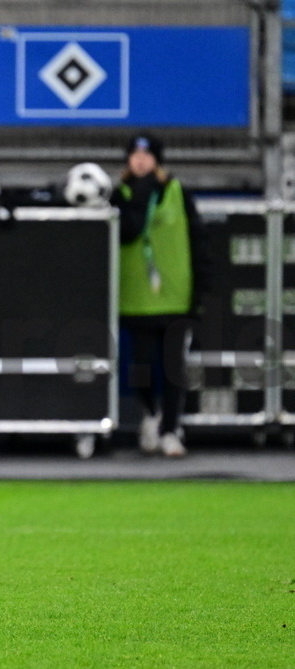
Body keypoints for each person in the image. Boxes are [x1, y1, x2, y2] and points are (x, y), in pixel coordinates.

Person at [110, 133, 209, 458]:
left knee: (173, 367)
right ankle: (149, 413)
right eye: (134, 155)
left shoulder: (177, 192)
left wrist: (200, 290)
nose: (140, 160)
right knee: (141, 365)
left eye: (147, 155)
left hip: (175, 295)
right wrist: (137, 199)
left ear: (157, 160)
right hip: (136, 297)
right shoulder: (118, 196)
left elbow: (197, 239)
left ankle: (170, 428)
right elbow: (127, 232)